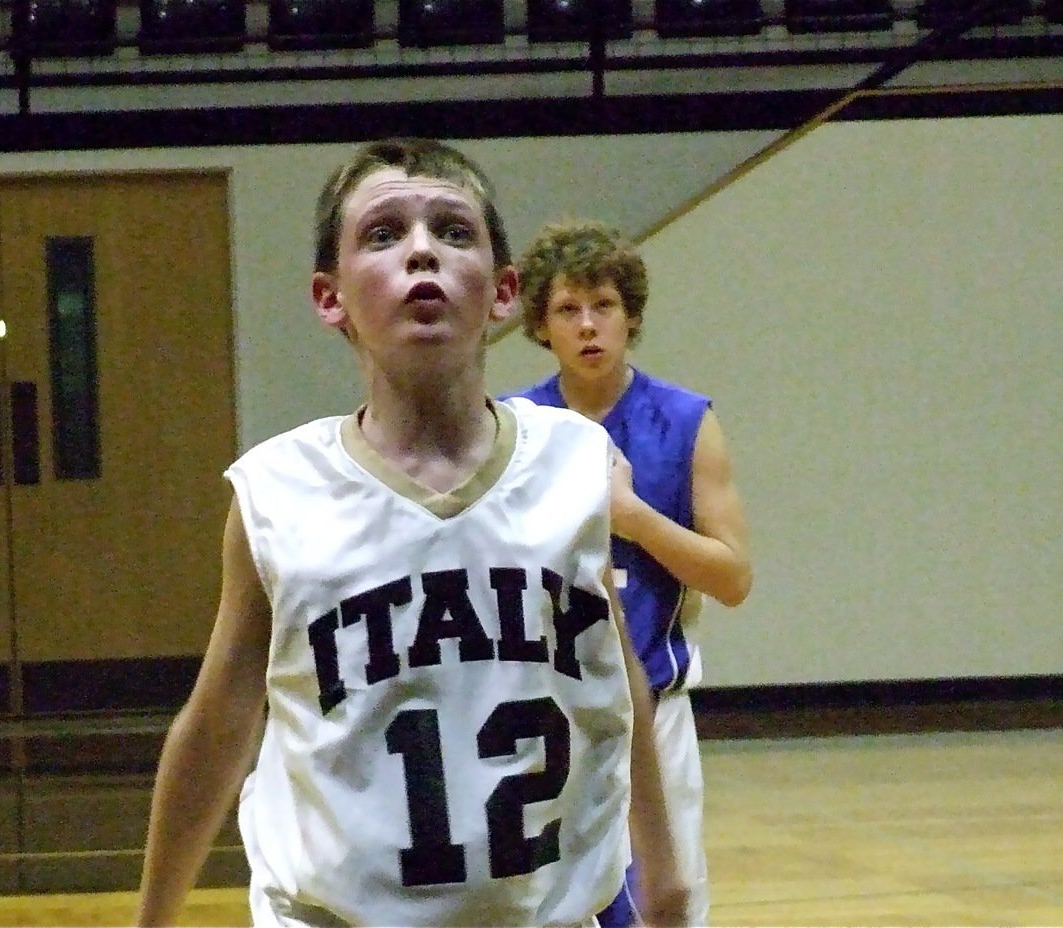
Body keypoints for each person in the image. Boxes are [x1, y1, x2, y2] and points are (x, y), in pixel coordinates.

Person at [135, 139, 690, 928]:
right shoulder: (276, 490)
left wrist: (664, 877)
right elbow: (219, 720)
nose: (422, 250)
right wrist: (152, 918)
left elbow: (613, 673)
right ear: (330, 297)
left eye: (454, 231)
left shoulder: (575, 464)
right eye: (383, 233)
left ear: (502, 292)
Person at [506, 220, 753, 928]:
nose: (588, 326)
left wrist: (634, 517)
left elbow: (733, 578)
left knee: (663, 908)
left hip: (656, 709)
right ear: (540, 325)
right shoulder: (516, 428)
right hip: (544, 718)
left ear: (631, 315)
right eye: (567, 309)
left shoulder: (686, 420)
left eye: (603, 306)